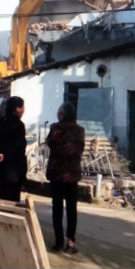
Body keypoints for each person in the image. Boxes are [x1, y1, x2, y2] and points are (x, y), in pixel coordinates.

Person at [45, 102, 85, 253]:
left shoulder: (56, 129)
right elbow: (80, 148)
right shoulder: (80, 130)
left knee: (57, 208)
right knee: (71, 209)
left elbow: (50, 143)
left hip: (57, 175)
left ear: (62, 115)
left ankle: (58, 241)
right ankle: (71, 241)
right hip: (72, 176)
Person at [0, 96, 27, 202]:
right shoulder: (19, 126)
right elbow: (19, 147)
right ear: (17, 109)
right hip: (14, 168)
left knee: (3, 195)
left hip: (1, 167)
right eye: (22, 107)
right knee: (13, 198)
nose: (23, 110)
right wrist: (5, 155)